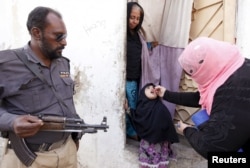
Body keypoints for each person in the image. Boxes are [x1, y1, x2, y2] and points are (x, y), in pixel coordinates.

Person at [0, 6, 80, 168]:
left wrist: (74, 138)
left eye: (65, 36)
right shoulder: (6, 64)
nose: (64, 42)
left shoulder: (63, 63)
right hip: (28, 159)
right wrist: (11, 121)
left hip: (67, 153)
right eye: (59, 37)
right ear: (37, 33)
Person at [155, 37, 250, 159]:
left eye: (193, 73)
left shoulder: (232, 92)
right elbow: (199, 98)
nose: (192, 78)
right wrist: (166, 94)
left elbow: (212, 148)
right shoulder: (236, 66)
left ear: (206, 66)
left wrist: (186, 130)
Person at [132, 83, 179, 168]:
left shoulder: (161, 107)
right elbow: (137, 119)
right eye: (148, 88)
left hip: (159, 143)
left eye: (153, 87)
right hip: (147, 143)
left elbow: (168, 123)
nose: (152, 88)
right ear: (143, 93)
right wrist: (128, 109)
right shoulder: (141, 108)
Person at [125, 2, 145, 141]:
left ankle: (134, 130)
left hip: (136, 77)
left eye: (137, 18)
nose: (134, 21)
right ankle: (131, 132)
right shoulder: (122, 33)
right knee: (129, 108)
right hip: (128, 78)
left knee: (134, 105)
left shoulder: (137, 34)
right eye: (132, 17)